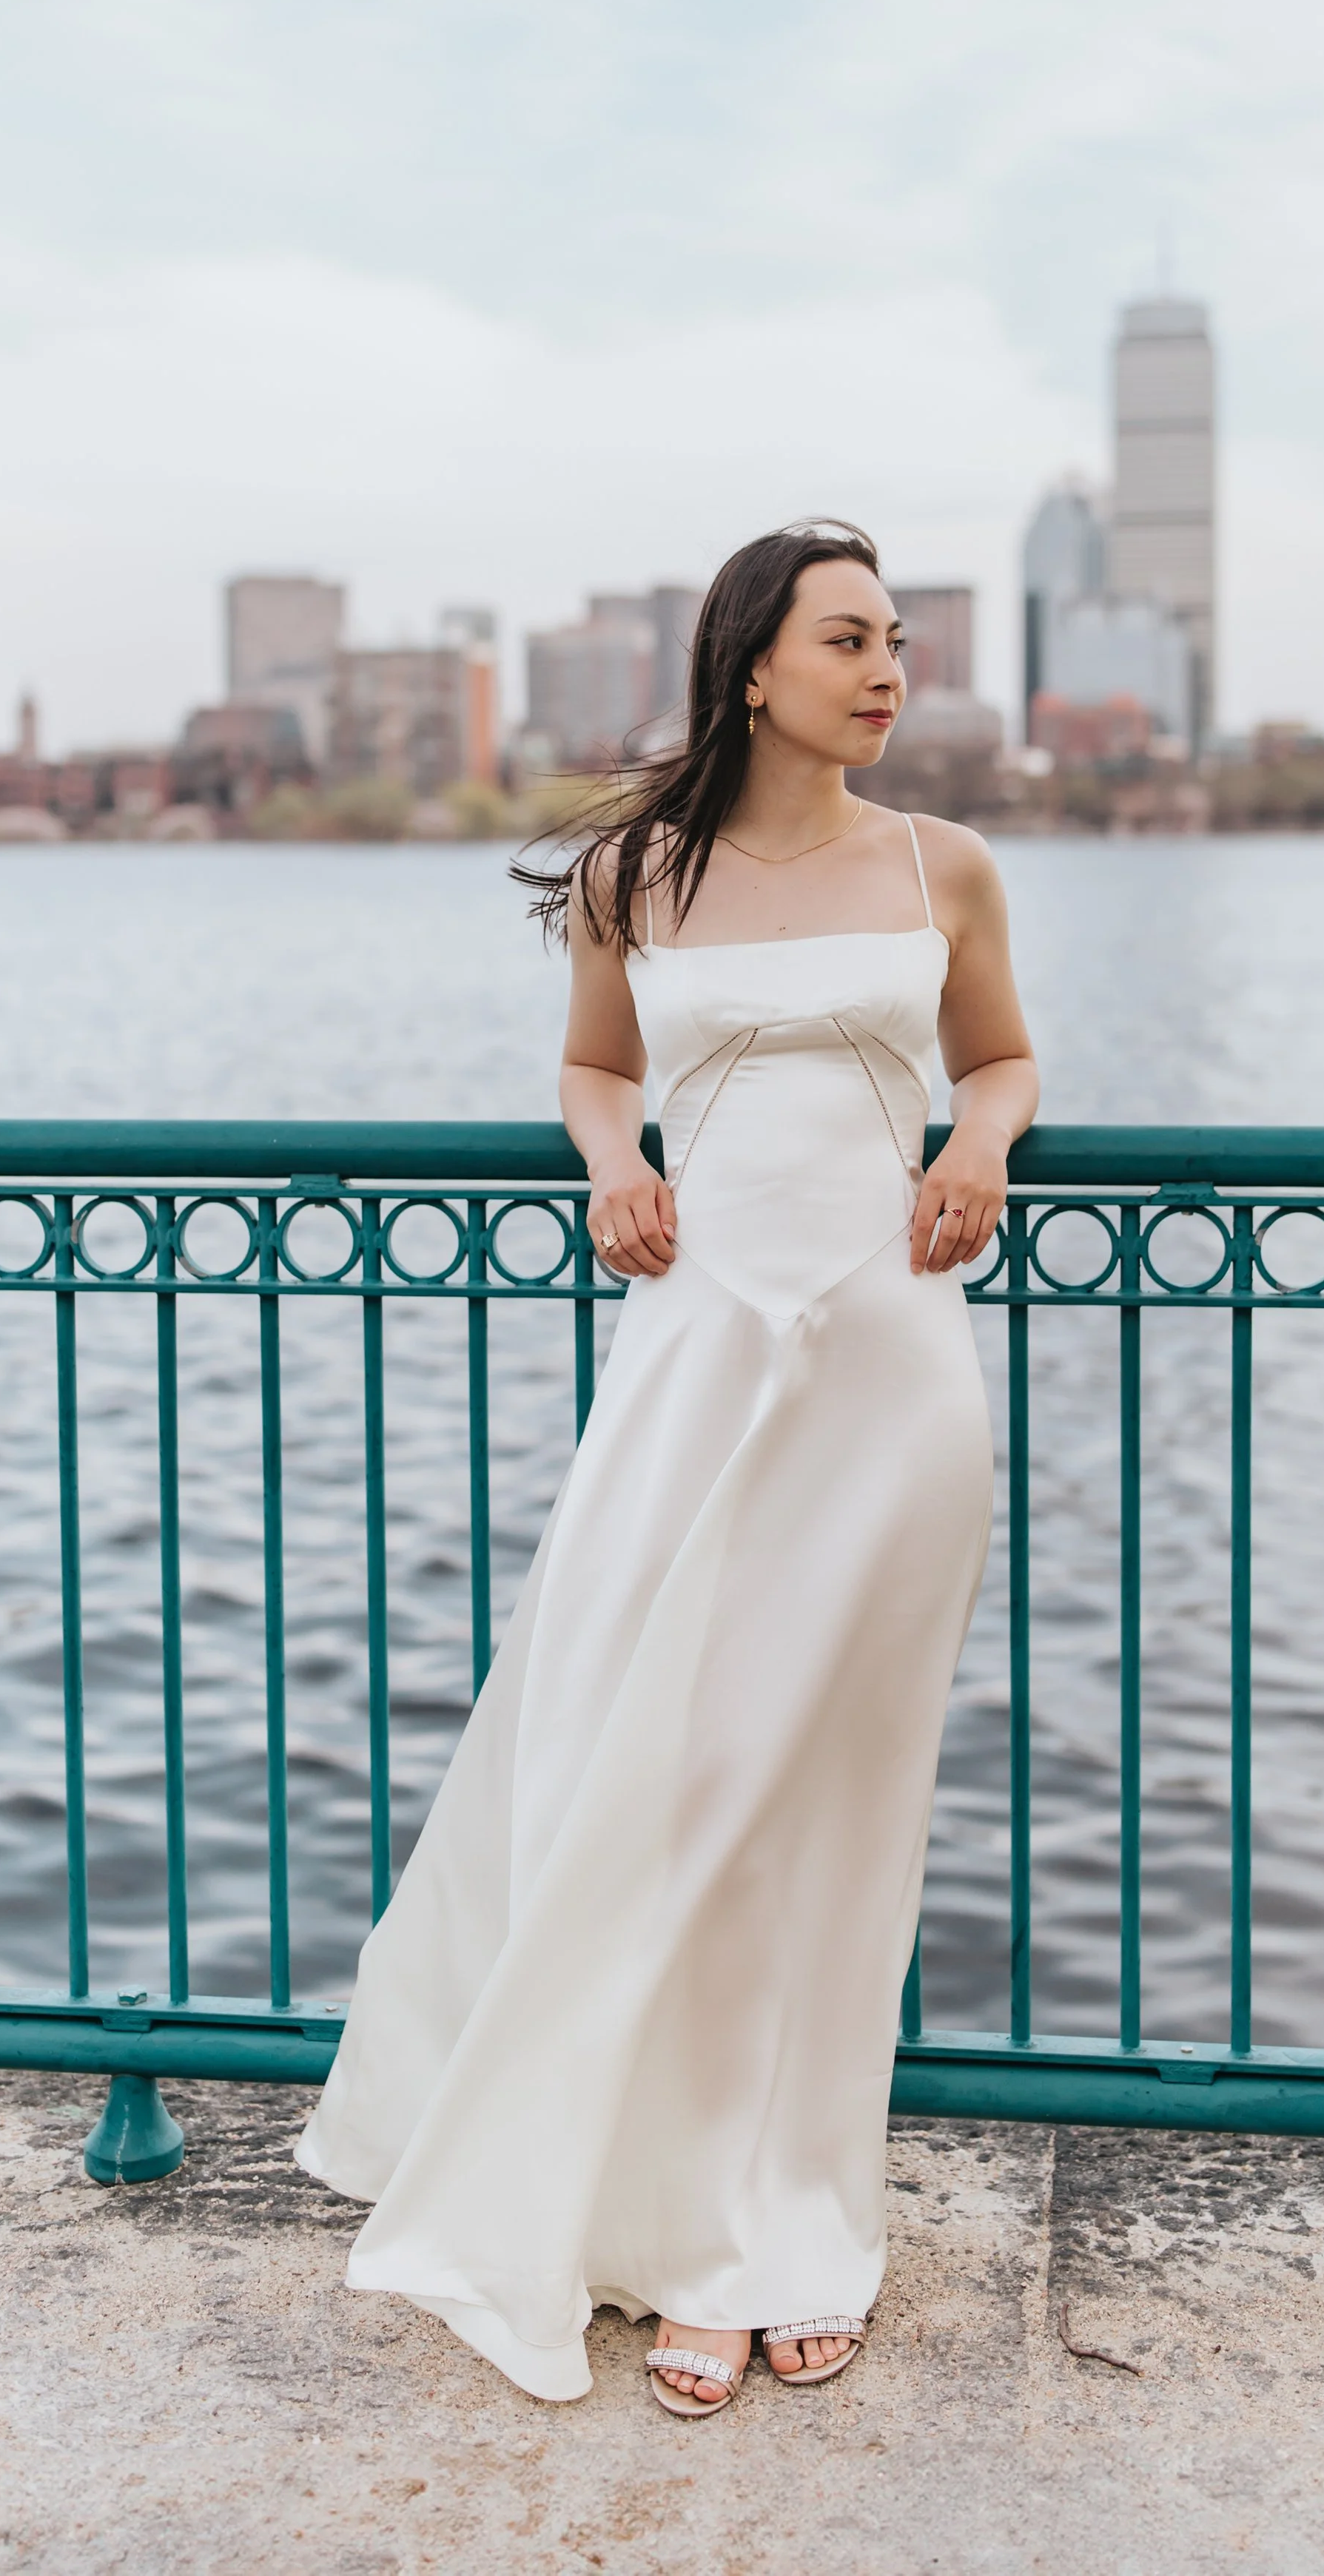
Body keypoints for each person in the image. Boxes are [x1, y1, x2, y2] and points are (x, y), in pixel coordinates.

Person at [297, 520, 1039, 2415]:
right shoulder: (639, 873)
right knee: (684, 1779)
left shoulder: (942, 863)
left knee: (839, 1813)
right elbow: (592, 1073)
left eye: (897, 642)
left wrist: (980, 1154)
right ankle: (694, 2239)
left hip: (892, 1383)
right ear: (753, 670)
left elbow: (1007, 1060)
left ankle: (801, 2220)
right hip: (697, 1361)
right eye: (851, 639)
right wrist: (611, 1172)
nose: (889, 672)